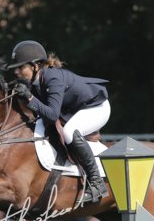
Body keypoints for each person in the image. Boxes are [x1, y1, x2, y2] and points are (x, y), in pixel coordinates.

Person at [8, 40, 110, 204]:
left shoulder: (52, 78)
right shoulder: (35, 81)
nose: (16, 72)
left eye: (21, 67)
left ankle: (97, 183)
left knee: (70, 132)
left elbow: (52, 115)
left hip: (97, 107)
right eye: (15, 68)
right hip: (75, 110)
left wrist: (29, 97)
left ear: (35, 66)